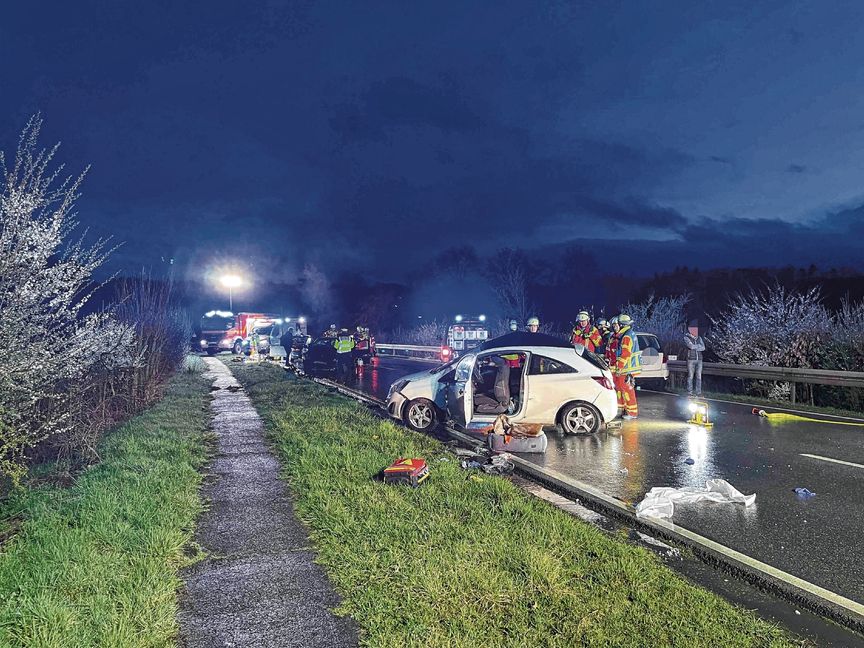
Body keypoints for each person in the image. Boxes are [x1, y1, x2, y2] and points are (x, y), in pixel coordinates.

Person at [612, 314, 641, 419]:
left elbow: (625, 354)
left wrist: (619, 368)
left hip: (627, 369)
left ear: (621, 325)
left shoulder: (626, 336)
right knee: (622, 390)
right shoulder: (629, 334)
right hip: (628, 368)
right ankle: (624, 410)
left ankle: (632, 413)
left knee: (627, 391)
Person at [684, 323, 706, 397]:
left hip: (699, 359)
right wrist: (698, 346)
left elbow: (703, 348)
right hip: (691, 359)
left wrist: (696, 347)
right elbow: (691, 346)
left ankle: (698, 392)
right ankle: (689, 392)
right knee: (690, 376)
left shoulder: (699, 338)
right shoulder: (687, 338)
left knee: (699, 376)